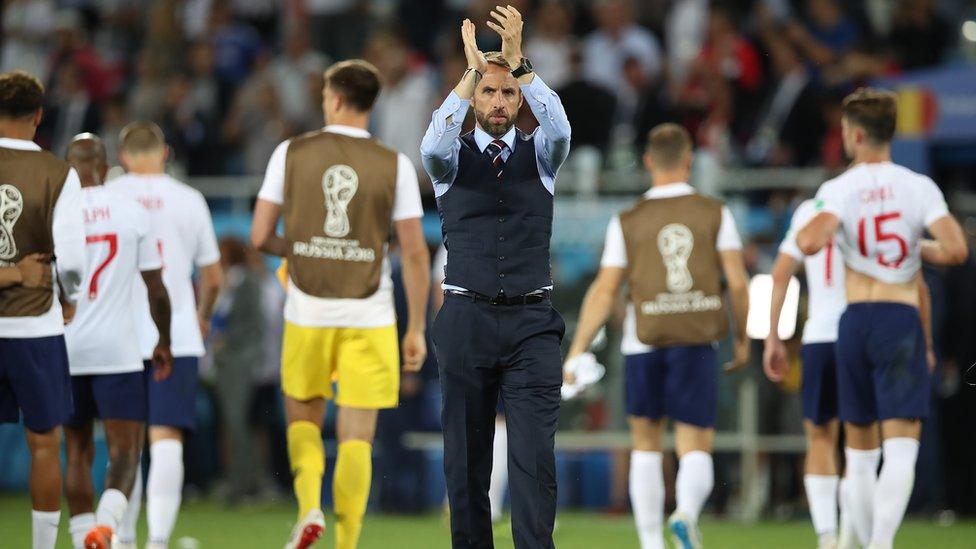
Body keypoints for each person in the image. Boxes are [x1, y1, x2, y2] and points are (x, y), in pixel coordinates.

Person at [251, 59, 430, 549]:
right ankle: (347, 542)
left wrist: (305, 246)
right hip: (370, 314)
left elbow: (260, 235)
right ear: (372, 104)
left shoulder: (290, 152)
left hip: (307, 309)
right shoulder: (394, 164)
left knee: (303, 420)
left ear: (331, 98)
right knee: (358, 437)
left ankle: (309, 507)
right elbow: (414, 252)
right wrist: (415, 329)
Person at [420, 8, 571, 548]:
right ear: (474, 100)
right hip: (465, 317)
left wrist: (519, 63)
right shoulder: (451, 161)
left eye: (507, 93)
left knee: (535, 461)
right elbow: (430, 147)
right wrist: (467, 75)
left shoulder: (545, 156)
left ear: (520, 100)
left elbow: (561, 126)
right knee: (465, 463)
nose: (499, 102)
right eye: (488, 93)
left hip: (532, 321)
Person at [796, 88, 968, 549]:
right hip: (899, 318)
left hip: (854, 321)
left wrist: (835, 225)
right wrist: (914, 246)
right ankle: (881, 544)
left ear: (853, 135)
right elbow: (956, 249)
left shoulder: (838, 188)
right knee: (901, 447)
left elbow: (810, 242)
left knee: (859, 449)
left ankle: (859, 539)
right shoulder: (918, 186)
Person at [566, 123, 750, 549]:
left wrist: (577, 349)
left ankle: (650, 542)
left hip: (642, 340)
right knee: (695, 442)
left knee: (646, 443)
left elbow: (605, 288)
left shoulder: (628, 219)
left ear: (648, 162)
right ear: (689, 161)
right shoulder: (714, 212)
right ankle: (685, 513)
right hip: (696, 337)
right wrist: (742, 339)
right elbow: (738, 284)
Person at [107, 121, 223, 549]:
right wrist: (202, 315)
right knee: (167, 438)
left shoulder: (106, 197)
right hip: (175, 336)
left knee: (125, 441)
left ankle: (121, 539)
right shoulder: (189, 200)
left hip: (116, 335)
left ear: (122, 156)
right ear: (165, 152)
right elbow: (212, 277)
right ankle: (157, 541)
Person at [61, 133, 174, 549]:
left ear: (69, 166)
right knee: (126, 452)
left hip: (67, 351)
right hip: (118, 352)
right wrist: (163, 340)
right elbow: (156, 289)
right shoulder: (130, 211)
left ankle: (82, 541)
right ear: (105, 164)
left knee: (76, 452)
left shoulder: (57, 212)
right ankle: (106, 527)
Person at [0, 69, 87, 549]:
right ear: (38, 115)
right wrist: (65, 293)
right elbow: (73, 261)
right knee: (44, 444)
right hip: (34, 327)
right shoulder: (59, 173)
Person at [762, 198, 848, 548]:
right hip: (862, 330)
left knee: (819, 438)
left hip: (819, 335)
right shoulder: (862, 202)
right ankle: (861, 535)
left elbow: (781, 272)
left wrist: (772, 336)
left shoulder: (807, 209)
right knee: (862, 441)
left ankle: (827, 534)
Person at [431, 244, 509, 526]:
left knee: (478, 418)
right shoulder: (456, 233)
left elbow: (437, 293)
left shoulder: (454, 233)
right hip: (475, 332)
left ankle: (466, 503)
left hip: (476, 333)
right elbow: (439, 292)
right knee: (484, 419)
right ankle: (473, 503)